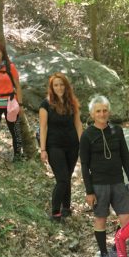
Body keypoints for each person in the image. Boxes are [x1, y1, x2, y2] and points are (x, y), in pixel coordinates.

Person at [78, 95, 129, 257]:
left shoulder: (117, 131)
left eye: (104, 110)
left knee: (127, 219)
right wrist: (89, 191)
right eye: (98, 111)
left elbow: (125, 156)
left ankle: (115, 247)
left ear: (109, 111)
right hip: (99, 184)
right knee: (101, 219)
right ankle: (104, 253)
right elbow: (84, 165)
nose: (102, 114)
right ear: (92, 114)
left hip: (118, 181)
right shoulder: (87, 135)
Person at [39, 72, 83, 221]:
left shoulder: (72, 102)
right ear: (52, 87)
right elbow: (43, 128)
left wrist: (82, 144)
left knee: (67, 177)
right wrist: (43, 149)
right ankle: (55, 212)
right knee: (62, 179)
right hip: (54, 146)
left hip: (72, 146)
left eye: (62, 84)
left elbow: (78, 124)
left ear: (66, 86)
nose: (59, 87)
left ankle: (66, 208)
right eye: (56, 85)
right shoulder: (45, 104)